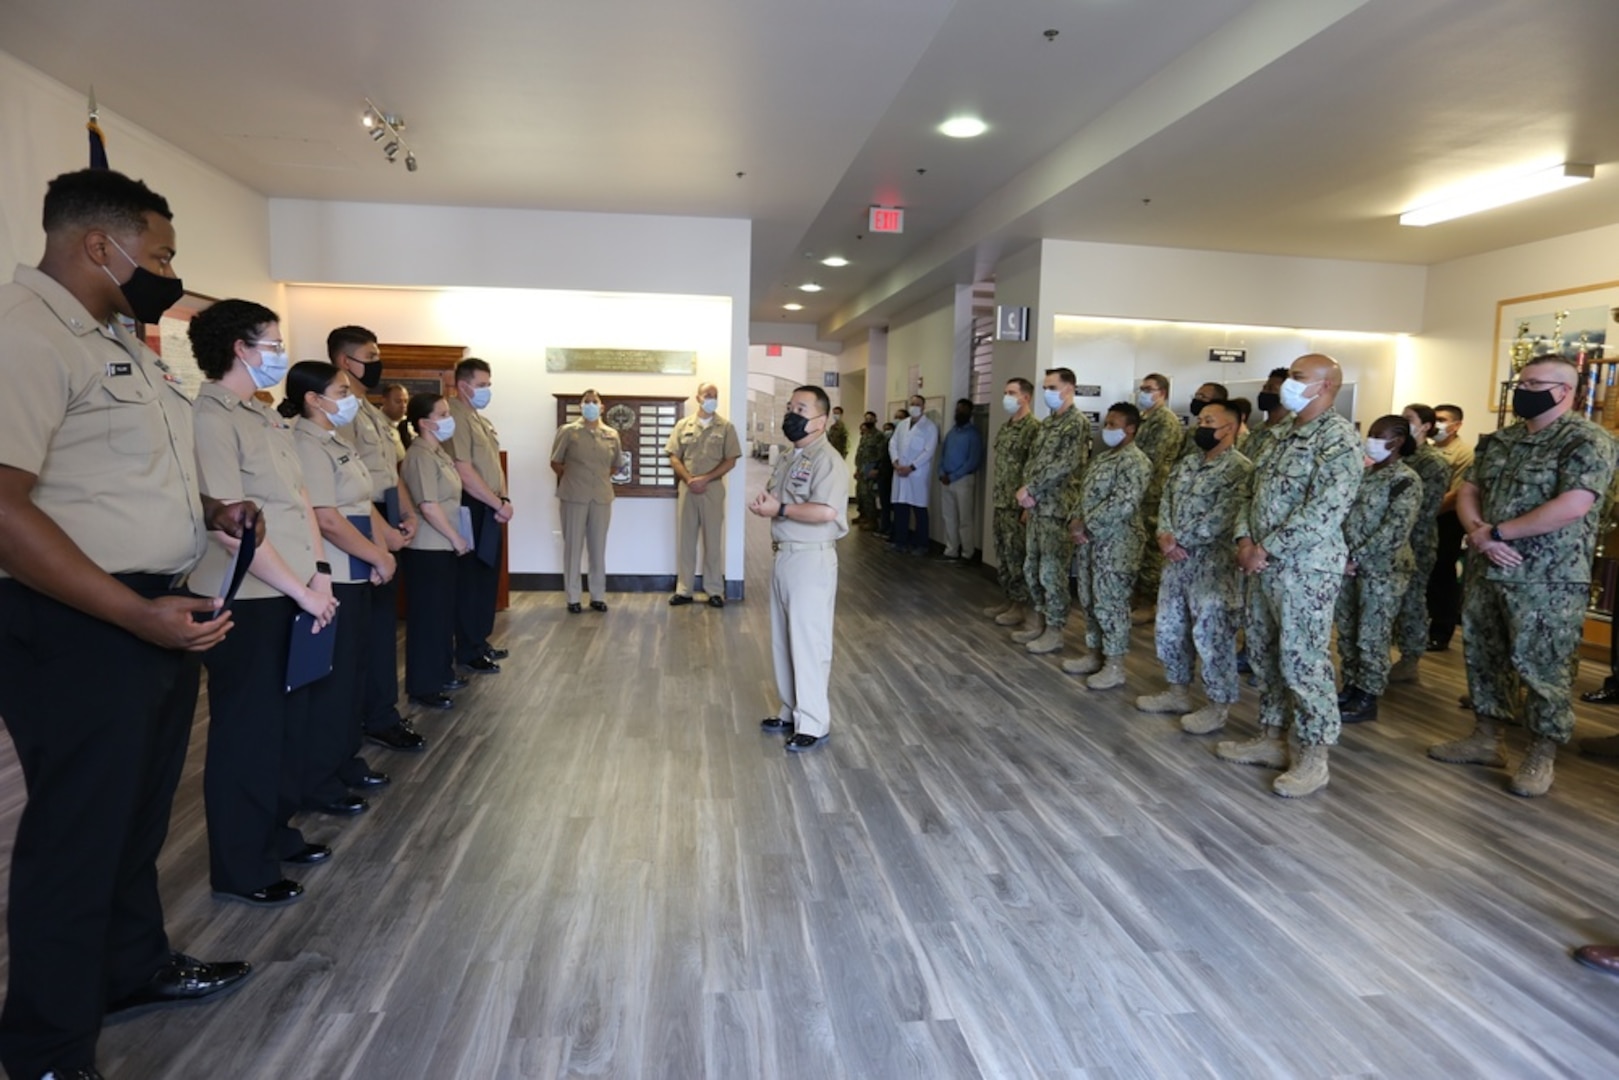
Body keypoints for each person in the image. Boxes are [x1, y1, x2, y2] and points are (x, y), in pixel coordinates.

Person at [0, 168, 254, 1080]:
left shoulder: (115, 337)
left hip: (151, 607)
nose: (170, 272)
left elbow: (115, 472)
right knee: (78, 832)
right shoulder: (26, 335)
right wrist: (131, 613)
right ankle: (46, 1048)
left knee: (136, 819)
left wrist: (208, 510)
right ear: (98, 245)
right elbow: (5, 507)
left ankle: (130, 969)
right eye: (162, 255)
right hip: (79, 620)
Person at [189, 299, 348, 911]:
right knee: (248, 734)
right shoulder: (211, 416)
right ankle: (241, 865)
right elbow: (232, 524)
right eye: (272, 344)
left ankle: (275, 833)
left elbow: (299, 503)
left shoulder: (264, 417)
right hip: (250, 596)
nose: (280, 354)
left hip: (300, 588)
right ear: (240, 348)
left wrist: (323, 575)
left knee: (289, 727)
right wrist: (300, 588)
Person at [1428, 356, 1616, 797]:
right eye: (1521, 381)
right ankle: (1486, 737)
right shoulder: (1500, 440)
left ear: (1565, 391)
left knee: (1542, 665)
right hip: (1487, 567)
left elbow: (1575, 503)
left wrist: (1497, 532)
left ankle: (1541, 750)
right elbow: (1470, 489)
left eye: (1535, 383)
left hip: (1547, 578)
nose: (1522, 389)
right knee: (1484, 654)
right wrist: (1479, 533)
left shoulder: (1587, 440)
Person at [1218, 353, 1362, 798]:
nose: (1287, 385)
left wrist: (1267, 548)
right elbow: (1250, 494)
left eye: (1298, 378)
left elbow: (1324, 510)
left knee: (1304, 660)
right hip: (1260, 564)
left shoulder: (1340, 440)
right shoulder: (1276, 434)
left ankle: (1312, 755)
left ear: (1325, 386)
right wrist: (1245, 541)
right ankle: (1271, 736)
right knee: (1263, 653)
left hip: (1305, 568)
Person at [284, 361, 406, 796]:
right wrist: (379, 556)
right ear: (312, 399)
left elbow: (362, 504)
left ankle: (346, 761)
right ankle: (321, 779)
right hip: (332, 575)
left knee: (355, 674)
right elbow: (327, 519)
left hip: (358, 570)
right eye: (340, 391)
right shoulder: (305, 442)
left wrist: (380, 554)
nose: (350, 397)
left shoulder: (337, 440)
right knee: (332, 683)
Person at [326, 326, 423, 746]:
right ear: (346, 361)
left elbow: (387, 473)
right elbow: (351, 485)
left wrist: (408, 512)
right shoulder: (339, 411)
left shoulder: (370, 412)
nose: (377, 361)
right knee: (365, 633)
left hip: (385, 513)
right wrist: (383, 536)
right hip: (361, 523)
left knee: (382, 629)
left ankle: (382, 712)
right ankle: (369, 719)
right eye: (370, 354)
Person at [1137, 401, 1252, 733]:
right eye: (1200, 419)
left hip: (1212, 567)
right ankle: (1177, 691)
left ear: (1229, 428)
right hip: (1175, 564)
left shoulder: (1240, 469)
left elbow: (1225, 515)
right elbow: (1167, 500)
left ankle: (1217, 706)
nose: (1200, 426)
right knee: (1170, 629)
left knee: (1212, 635)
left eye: (1208, 421)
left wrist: (1180, 540)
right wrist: (1164, 534)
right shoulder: (1187, 463)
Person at [751, 385, 849, 752]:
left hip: (811, 557)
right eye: (790, 407)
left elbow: (826, 511)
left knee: (809, 642)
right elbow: (785, 497)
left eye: (801, 408)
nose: (792, 414)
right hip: (786, 554)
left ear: (821, 420)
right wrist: (771, 503)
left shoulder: (829, 461)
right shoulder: (793, 456)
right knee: (783, 639)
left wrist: (779, 510)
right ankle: (791, 710)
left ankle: (814, 722)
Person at [1334, 416, 1423, 724]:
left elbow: (1394, 530)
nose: (1370, 439)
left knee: (1372, 633)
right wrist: (1342, 556)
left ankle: (1367, 695)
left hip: (1383, 570)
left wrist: (1356, 556)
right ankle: (1351, 686)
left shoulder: (1406, 479)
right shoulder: (1367, 474)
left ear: (1397, 441)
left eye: (1377, 435)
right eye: (1369, 434)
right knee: (1348, 630)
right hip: (1349, 567)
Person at [1063, 403, 1151, 688]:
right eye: (1107, 423)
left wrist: (1086, 525)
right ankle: (1093, 653)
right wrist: (1075, 520)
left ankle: (1114, 664)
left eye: (1113, 424)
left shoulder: (1135, 462)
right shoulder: (1102, 459)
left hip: (1117, 544)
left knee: (1111, 604)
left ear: (1131, 429)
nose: (1107, 429)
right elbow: (1084, 494)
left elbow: (1123, 503)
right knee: (1089, 598)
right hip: (1090, 542)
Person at [399, 393, 471, 710]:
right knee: (427, 619)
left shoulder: (438, 452)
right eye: (442, 414)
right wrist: (456, 538)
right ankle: (423, 685)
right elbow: (428, 506)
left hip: (443, 547)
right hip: (428, 547)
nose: (447, 418)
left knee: (441, 616)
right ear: (425, 422)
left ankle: (442, 672)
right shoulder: (420, 455)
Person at [1014, 368, 1091, 654]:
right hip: (1036, 508)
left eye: (1052, 386)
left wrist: (1031, 488)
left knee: (1052, 572)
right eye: (1044, 387)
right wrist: (1028, 496)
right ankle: (1038, 621)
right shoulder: (1048, 424)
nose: (1046, 392)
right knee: (1032, 567)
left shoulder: (1076, 423)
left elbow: (1065, 464)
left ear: (1069, 388)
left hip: (1057, 509)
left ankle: (1055, 629)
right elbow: (1035, 462)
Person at [446, 357, 511, 674]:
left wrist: (503, 498)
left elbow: (491, 465)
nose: (487, 390)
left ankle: (479, 640)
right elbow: (464, 470)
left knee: (486, 577)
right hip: (471, 505)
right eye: (482, 385)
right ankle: (468, 648)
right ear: (462, 386)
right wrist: (497, 504)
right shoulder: (454, 415)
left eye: (488, 384)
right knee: (471, 579)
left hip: (490, 505)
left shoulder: (478, 418)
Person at [1388, 404, 1449, 683]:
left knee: (1411, 599)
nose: (1403, 422)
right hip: (1388, 540)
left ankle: (1410, 657)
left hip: (1417, 540)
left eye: (1409, 419)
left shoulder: (1432, 461)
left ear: (1425, 426)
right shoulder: (1398, 455)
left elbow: (1426, 507)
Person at [667, 381, 741, 606]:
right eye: (707, 394)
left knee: (713, 540)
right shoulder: (683, 425)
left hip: (713, 489)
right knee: (686, 540)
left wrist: (705, 478)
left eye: (715, 395)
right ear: (698, 398)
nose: (711, 398)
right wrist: (689, 479)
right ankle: (684, 589)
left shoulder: (726, 427)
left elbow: (731, 460)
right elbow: (674, 456)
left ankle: (714, 590)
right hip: (688, 489)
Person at [551, 389, 622, 612]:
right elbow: (556, 462)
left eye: (595, 402)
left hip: (601, 496)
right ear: (580, 407)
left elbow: (615, 464)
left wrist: (596, 478)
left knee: (598, 548)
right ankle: (573, 597)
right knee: (573, 547)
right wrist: (576, 478)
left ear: (602, 408)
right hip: (573, 495)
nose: (590, 405)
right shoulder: (568, 431)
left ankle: (597, 595)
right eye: (586, 402)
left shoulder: (611, 434)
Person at [983, 378, 1041, 629]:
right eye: (1005, 392)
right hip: (1001, 500)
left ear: (1025, 397)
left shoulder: (1034, 428)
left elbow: (1035, 469)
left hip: (1019, 505)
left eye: (1012, 393)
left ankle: (1022, 606)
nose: (1006, 397)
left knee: (1018, 556)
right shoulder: (1006, 427)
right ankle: (1009, 599)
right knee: (1004, 555)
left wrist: (1028, 507)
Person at [1131, 373, 1184, 617]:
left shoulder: (1166, 420)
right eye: (1141, 388)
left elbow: (1151, 457)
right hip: (1138, 492)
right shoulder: (1144, 418)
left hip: (1153, 492)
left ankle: (1151, 602)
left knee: (1152, 548)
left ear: (1161, 392)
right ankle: (1139, 596)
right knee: (1139, 545)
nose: (1142, 392)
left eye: (1148, 388)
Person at [1424, 403, 1475, 651]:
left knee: (1442, 575)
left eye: (1442, 420)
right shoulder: (1430, 451)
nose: (1437, 424)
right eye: (1434, 419)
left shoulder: (1463, 453)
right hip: (1425, 519)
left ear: (1456, 425)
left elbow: (1456, 495)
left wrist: (1424, 512)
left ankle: (1441, 630)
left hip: (1447, 520)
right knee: (1425, 574)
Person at [889, 394, 938, 555]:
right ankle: (900, 542)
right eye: (912, 404)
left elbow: (928, 451)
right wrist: (895, 462)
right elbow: (893, 443)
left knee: (919, 510)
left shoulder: (929, 427)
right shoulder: (902, 425)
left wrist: (911, 467)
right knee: (900, 509)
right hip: (899, 471)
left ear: (924, 407)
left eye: (918, 404)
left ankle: (921, 544)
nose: (914, 407)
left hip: (916, 474)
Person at [938, 397, 985, 561]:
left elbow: (973, 461)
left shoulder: (973, 434)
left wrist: (953, 476)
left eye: (963, 409)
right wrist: (942, 472)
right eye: (958, 409)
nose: (959, 412)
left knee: (965, 519)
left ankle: (967, 553)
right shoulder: (951, 433)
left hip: (963, 480)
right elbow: (943, 455)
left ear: (970, 412)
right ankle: (951, 550)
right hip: (946, 479)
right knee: (948, 517)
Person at [1241, 367, 1293, 461]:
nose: (1264, 392)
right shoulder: (1257, 429)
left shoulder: (1292, 431)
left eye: (1271, 389)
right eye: (1264, 388)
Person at [854, 418, 886, 528]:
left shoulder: (879, 436)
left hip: (871, 468)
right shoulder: (865, 435)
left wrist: (877, 468)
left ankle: (872, 520)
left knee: (869, 495)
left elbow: (881, 454)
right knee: (862, 495)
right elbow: (860, 453)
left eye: (870, 418)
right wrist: (857, 469)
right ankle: (865, 517)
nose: (868, 420)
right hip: (862, 469)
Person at [874, 419, 897, 536]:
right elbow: (879, 458)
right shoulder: (882, 442)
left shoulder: (895, 442)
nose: (887, 431)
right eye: (885, 429)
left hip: (891, 476)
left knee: (890, 505)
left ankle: (890, 529)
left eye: (889, 429)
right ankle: (884, 526)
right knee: (884, 504)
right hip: (882, 475)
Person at [380, 382, 412, 448]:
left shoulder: (410, 424)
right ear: (384, 401)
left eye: (406, 401)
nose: (403, 406)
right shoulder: (374, 422)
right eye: (398, 401)